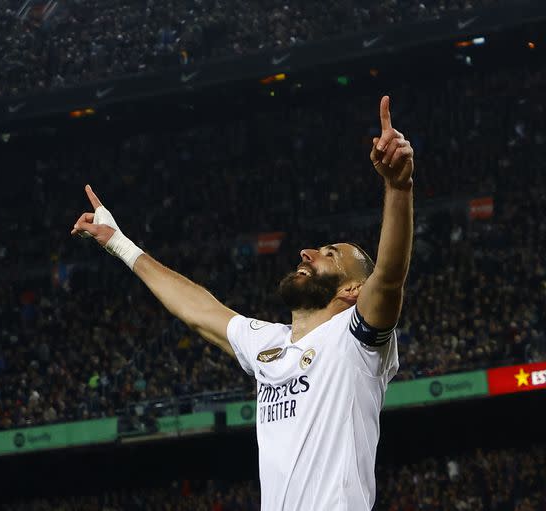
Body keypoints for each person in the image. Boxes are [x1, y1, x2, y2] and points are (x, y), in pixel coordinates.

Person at [71, 96, 414, 510]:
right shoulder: (268, 345)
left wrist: (398, 188)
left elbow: (390, 276)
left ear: (352, 291)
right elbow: (199, 310)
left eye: (329, 253)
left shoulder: (356, 341)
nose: (307, 252)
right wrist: (120, 244)